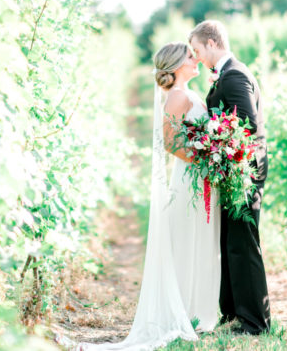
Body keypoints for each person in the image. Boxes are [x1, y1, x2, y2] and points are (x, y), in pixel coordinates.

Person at [76, 42, 221, 350]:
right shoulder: (177, 97)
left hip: (200, 177)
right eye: (190, 56)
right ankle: (183, 311)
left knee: (199, 238)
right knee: (186, 239)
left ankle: (196, 310)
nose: (195, 59)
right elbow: (170, 143)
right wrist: (206, 159)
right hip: (190, 177)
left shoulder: (187, 93)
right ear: (177, 64)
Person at [189, 20, 271, 335]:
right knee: (232, 242)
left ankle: (255, 322)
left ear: (211, 43)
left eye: (197, 49)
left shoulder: (234, 75)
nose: (196, 56)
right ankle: (235, 312)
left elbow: (246, 124)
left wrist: (210, 140)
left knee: (243, 244)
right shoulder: (228, 73)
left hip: (245, 172)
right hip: (236, 170)